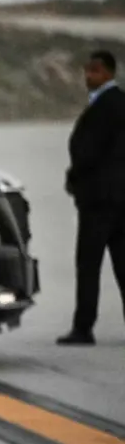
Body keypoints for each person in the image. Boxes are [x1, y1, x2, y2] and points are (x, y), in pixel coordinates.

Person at [58, 48, 125, 346]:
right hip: (120, 199)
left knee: (88, 265)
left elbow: (89, 153)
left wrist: (74, 179)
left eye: (95, 70)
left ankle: (83, 327)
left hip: (99, 201)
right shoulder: (120, 103)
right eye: (87, 70)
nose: (88, 76)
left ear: (110, 72)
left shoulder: (104, 107)